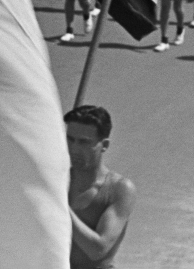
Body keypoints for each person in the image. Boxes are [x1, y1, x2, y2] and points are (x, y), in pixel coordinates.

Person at [65, 106, 135, 269]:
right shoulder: (58, 179)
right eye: (70, 139)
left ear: (104, 145)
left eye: (84, 142)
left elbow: (97, 249)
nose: (74, 148)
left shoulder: (120, 189)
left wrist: (60, 205)